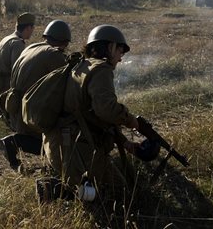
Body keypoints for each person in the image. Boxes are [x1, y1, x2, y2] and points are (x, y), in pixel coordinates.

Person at [42, 24, 141, 202]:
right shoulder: (101, 69)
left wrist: (124, 141)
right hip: (73, 147)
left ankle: (63, 184)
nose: (120, 59)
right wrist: (130, 119)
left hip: (60, 142)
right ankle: (53, 190)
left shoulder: (82, 65)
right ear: (110, 46)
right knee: (120, 193)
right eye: (120, 51)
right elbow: (106, 110)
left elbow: (94, 115)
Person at [0, 20, 72, 171]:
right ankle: (15, 142)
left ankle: (15, 142)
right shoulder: (53, 54)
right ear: (64, 42)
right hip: (31, 110)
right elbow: (68, 83)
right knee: (57, 136)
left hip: (15, 106)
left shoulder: (31, 47)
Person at [0, 12, 36, 119]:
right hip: (4, 87)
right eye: (32, 28)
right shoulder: (17, 43)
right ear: (28, 28)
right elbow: (18, 71)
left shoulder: (7, 38)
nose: (32, 31)